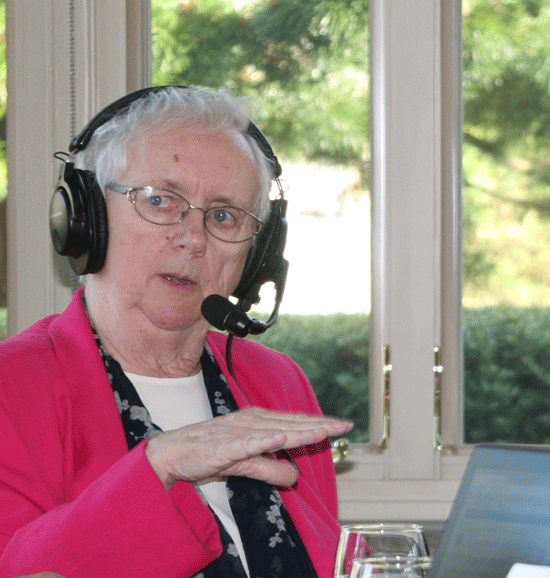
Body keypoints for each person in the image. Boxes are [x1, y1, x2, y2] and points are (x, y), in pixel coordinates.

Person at [0, 86, 352, 578]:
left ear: (257, 255)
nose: (193, 238)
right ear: (87, 219)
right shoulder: (13, 385)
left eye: (224, 215)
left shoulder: (277, 382)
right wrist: (157, 467)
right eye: (161, 201)